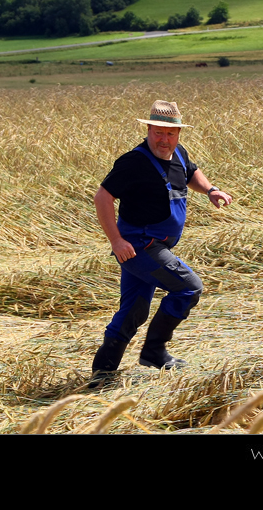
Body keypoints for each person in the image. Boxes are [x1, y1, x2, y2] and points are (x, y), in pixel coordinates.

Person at [90, 100, 232, 386]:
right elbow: (102, 197)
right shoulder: (134, 162)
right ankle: (154, 351)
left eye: (170, 134)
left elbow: (192, 173)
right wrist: (116, 241)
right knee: (189, 287)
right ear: (148, 130)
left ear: (178, 134)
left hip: (159, 245)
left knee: (135, 309)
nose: (164, 139)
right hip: (141, 244)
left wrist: (211, 190)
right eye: (158, 132)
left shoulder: (178, 154)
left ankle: (102, 374)